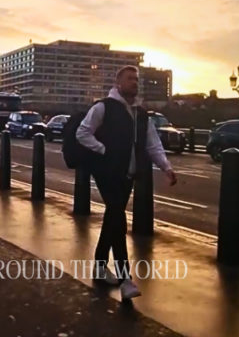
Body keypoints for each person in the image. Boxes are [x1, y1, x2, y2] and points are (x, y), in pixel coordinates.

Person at [75, 65, 177, 302]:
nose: (135, 82)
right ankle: (125, 280)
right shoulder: (103, 107)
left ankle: (100, 266)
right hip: (107, 173)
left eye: (136, 79)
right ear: (118, 83)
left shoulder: (141, 115)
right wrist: (104, 150)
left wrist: (166, 167)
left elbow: (152, 144)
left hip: (128, 174)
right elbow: (83, 133)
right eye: (130, 79)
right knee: (117, 220)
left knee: (113, 216)